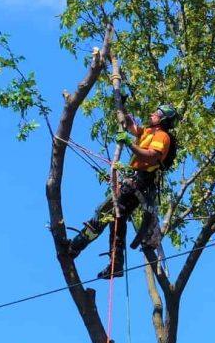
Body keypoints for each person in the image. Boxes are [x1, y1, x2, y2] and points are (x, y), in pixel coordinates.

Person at [67, 104, 177, 278]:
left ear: (163, 119)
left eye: (156, 113)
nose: (152, 113)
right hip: (133, 182)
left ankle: (75, 247)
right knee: (114, 217)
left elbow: (151, 156)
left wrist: (128, 143)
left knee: (108, 214)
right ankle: (112, 262)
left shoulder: (162, 136)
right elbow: (132, 127)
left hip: (140, 184)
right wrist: (122, 108)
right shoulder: (149, 132)